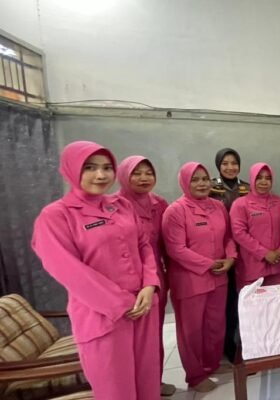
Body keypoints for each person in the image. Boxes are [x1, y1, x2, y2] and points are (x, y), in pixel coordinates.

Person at [32, 141, 161, 399]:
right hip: (102, 316)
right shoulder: (56, 216)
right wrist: (121, 303)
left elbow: (143, 244)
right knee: (116, 389)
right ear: (71, 169)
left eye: (106, 168)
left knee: (147, 380)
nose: (100, 175)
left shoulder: (121, 205)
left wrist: (150, 285)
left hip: (144, 305)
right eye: (89, 168)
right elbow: (69, 270)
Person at [162, 162, 236, 393]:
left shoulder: (217, 206)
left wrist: (230, 258)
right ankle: (195, 375)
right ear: (185, 182)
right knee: (191, 331)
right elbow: (176, 249)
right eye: (195, 179)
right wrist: (209, 264)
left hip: (219, 277)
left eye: (205, 179)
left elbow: (228, 237)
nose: (202, 183)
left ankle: (212, 364)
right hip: (190, 281)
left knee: (215, 325)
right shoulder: (175, 211)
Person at [116, 155, 175, 397]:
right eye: (137, 173)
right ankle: (130, 388)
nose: (144, 178)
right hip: (124, 281)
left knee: (153, 336)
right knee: (128, 339)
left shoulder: (159, 204)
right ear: (123, 175)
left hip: (155, 279)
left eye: (148, 173)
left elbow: (166, 244)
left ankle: (154, 383)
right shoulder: (114, 205)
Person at [209, 147, 249, 361]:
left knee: (242, 299)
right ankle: (227, 345)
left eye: (234, 163)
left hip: (245, 251)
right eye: (225, 163)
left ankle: (244, 341)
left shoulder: (247, 188)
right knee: (225, 303)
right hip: (220, 251)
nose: (230, 167)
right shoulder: (210, 188)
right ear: (218, 165)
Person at [230, 162, 280, 288]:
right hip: (251, 268)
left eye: (268, 178)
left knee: (278, 300)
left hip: (277, 266)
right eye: (259, 178)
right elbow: (239, 233)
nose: (264, 182)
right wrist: (264, 253)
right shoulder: (240, 204)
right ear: (252, 179)